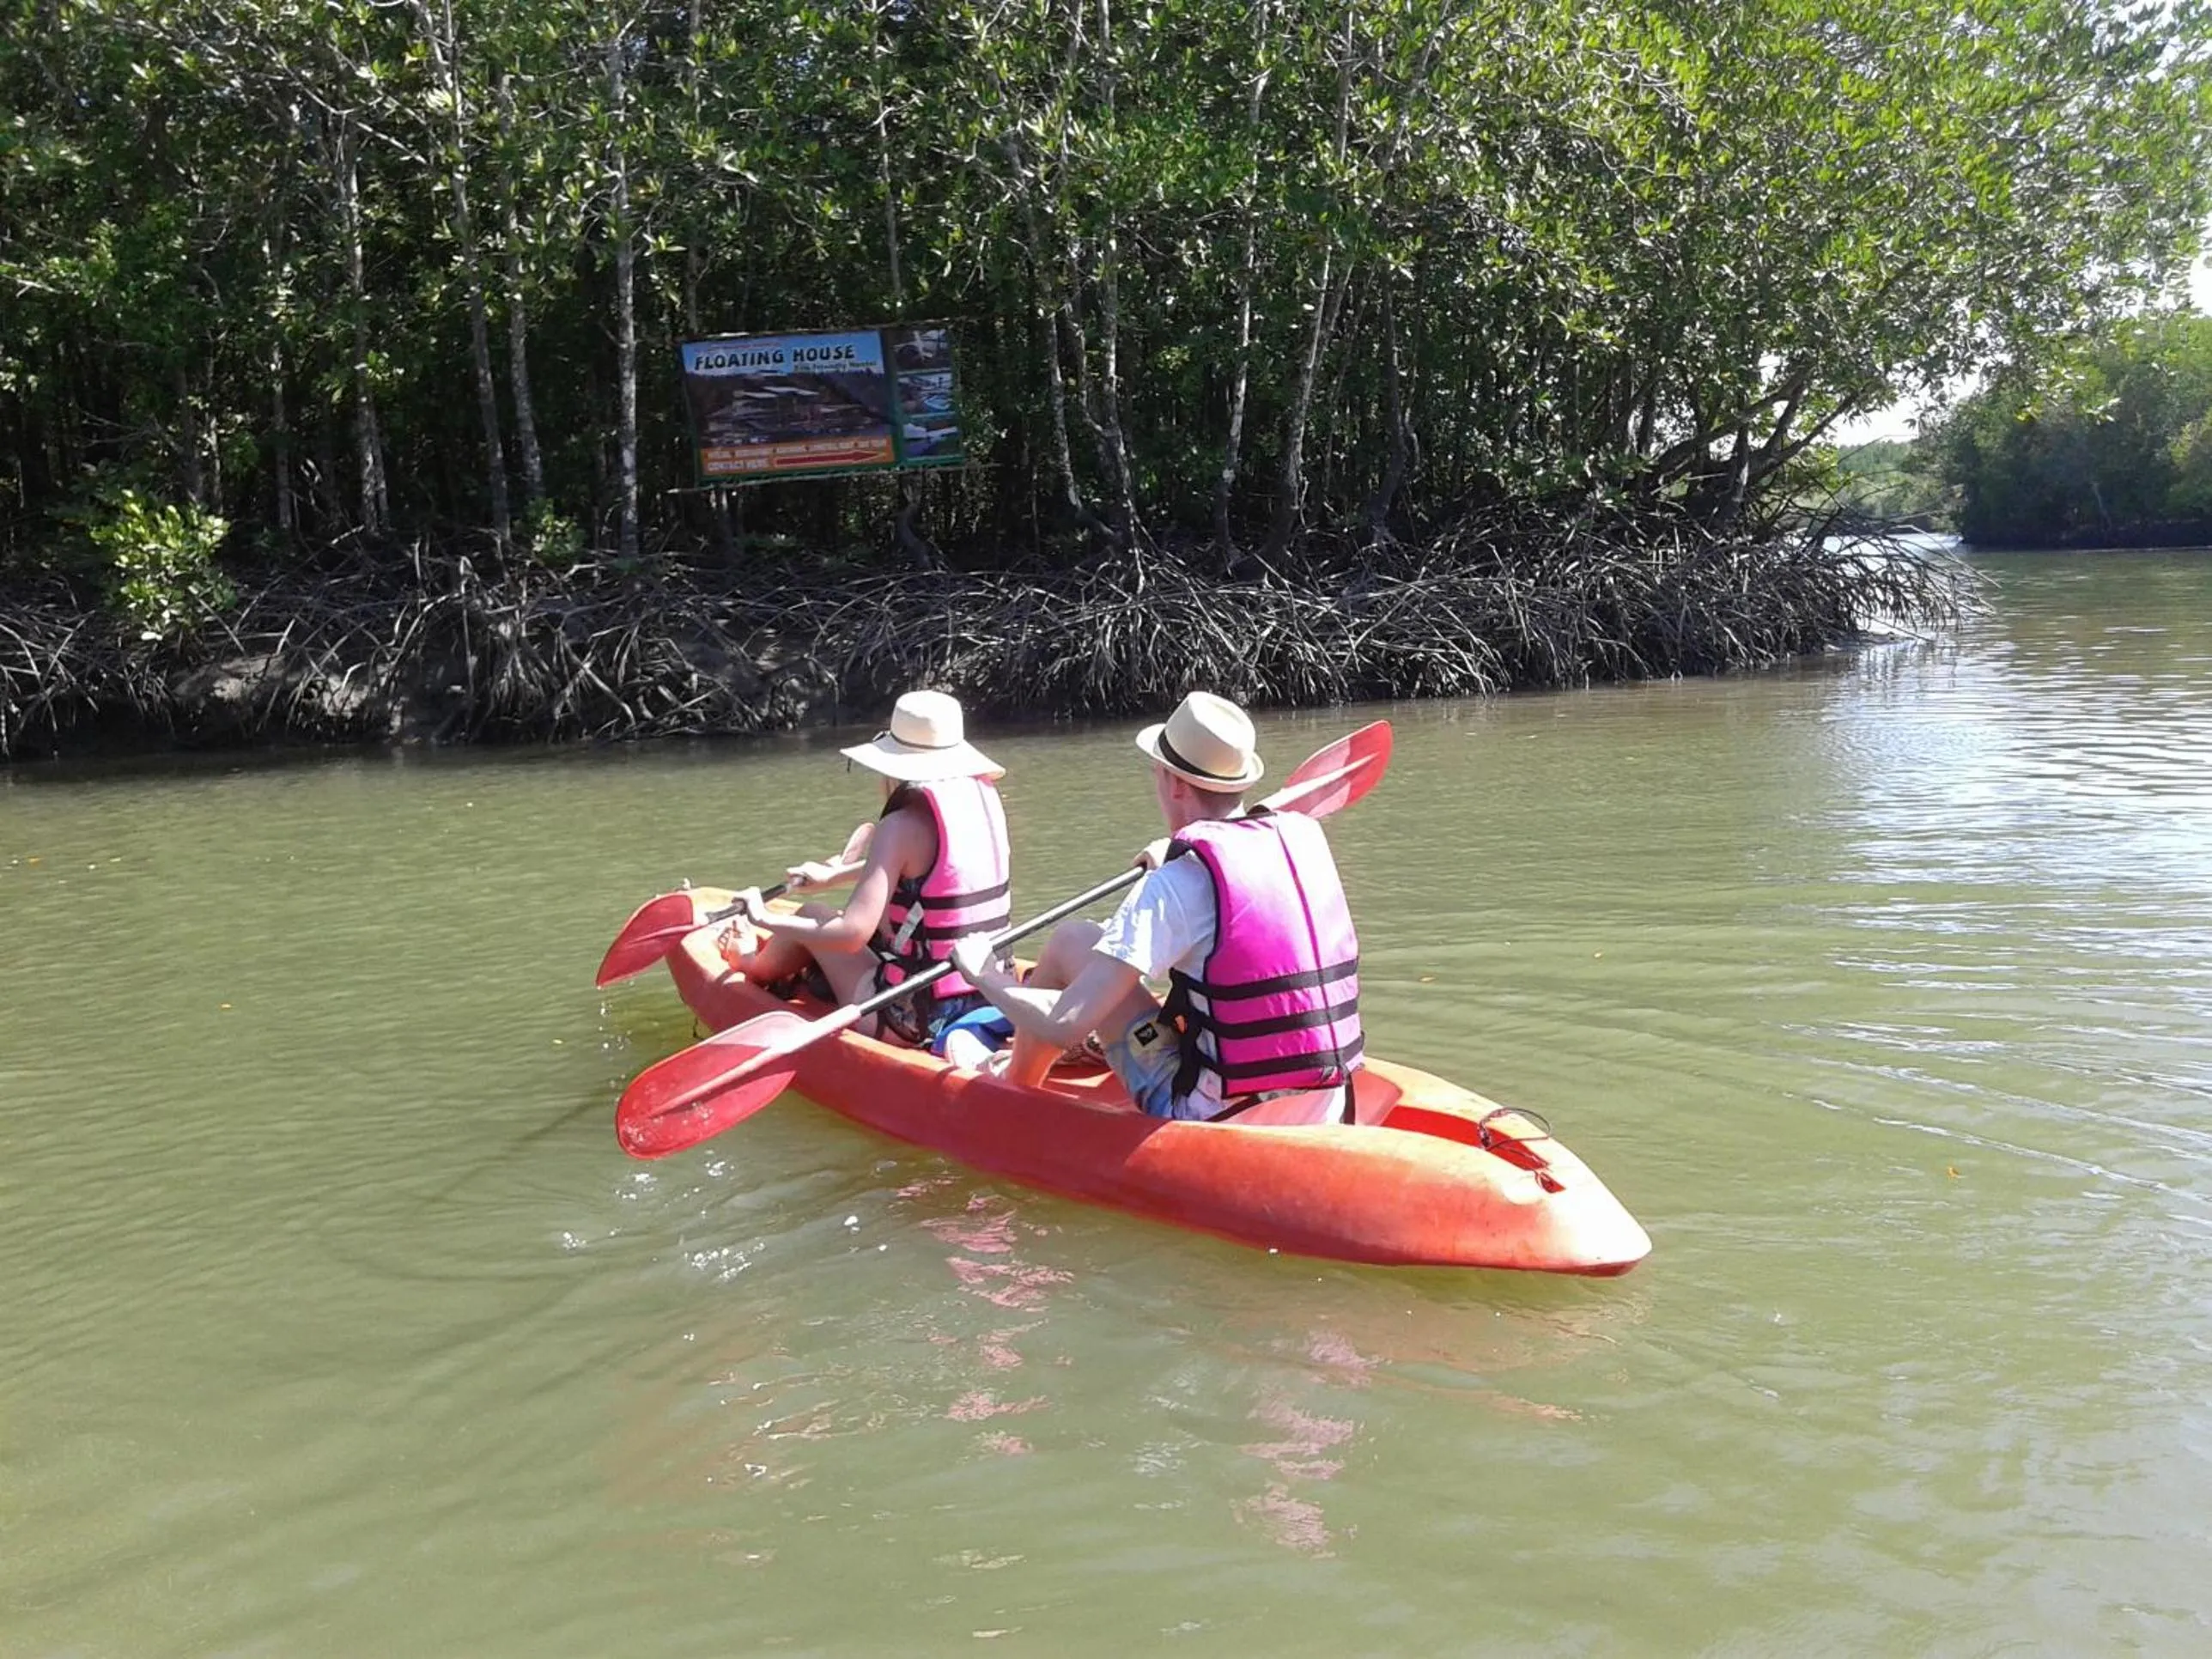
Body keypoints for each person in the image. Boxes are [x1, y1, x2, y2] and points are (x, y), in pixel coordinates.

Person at [949, 691, 1362, 1121]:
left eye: (1158, 774)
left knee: (1071, 981)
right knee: (1074, 939)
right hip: (1330, 1103)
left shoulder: (1173, 887)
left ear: (1177, 784)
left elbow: (1066, 1023)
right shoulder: (1301, 843)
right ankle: (1016, 1078)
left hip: (1215, 1116)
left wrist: (984, 975)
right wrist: (1175, 856)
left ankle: (1013, 1090)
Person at [726, 689, 1012, 1052]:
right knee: (874, 927)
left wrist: (762, 917)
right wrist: (834, 876)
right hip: (994, 996)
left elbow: (851, 934)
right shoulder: (983, 804)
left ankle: (751, 963)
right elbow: (940, 874)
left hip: (914, 1016)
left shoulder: (900, 824)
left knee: (814, 915)